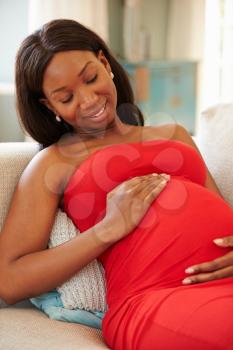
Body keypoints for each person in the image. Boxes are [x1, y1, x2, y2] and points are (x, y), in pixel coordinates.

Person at [0, 19, 233, 350]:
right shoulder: (52, 164)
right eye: (65, 97)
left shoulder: (175, 136)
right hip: (155, 297)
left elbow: (220, 213)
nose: (88, 100)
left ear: (105, 64)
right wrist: (108, 229)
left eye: (91, 78)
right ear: (48, 105)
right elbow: (9, 280)